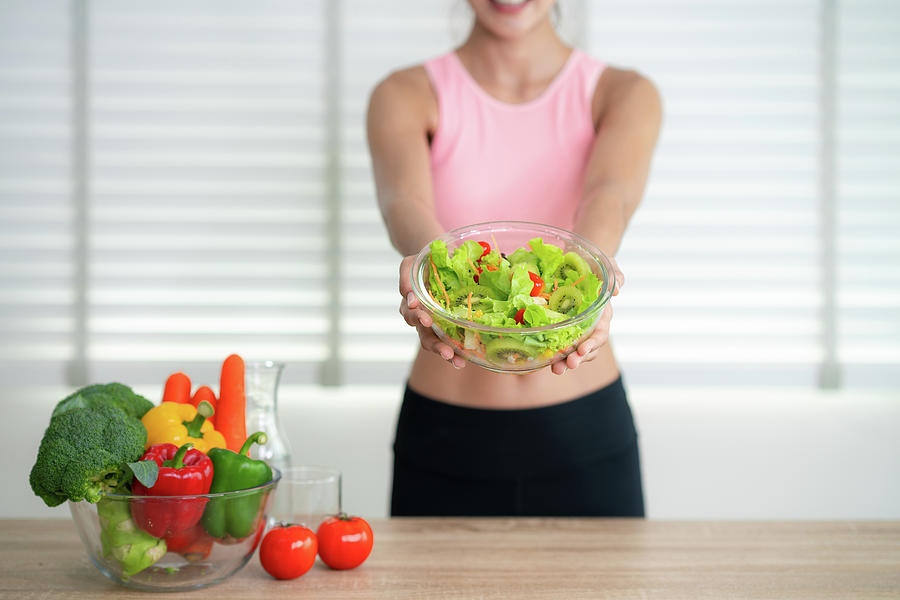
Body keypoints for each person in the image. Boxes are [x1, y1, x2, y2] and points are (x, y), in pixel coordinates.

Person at [366, 0, 661, 517]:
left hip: (586, 434)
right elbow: (403, 204)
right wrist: (427, 267)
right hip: (444, 435)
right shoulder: (403, 94)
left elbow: (607, 195)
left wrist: (591, 268)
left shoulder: (625, 94)